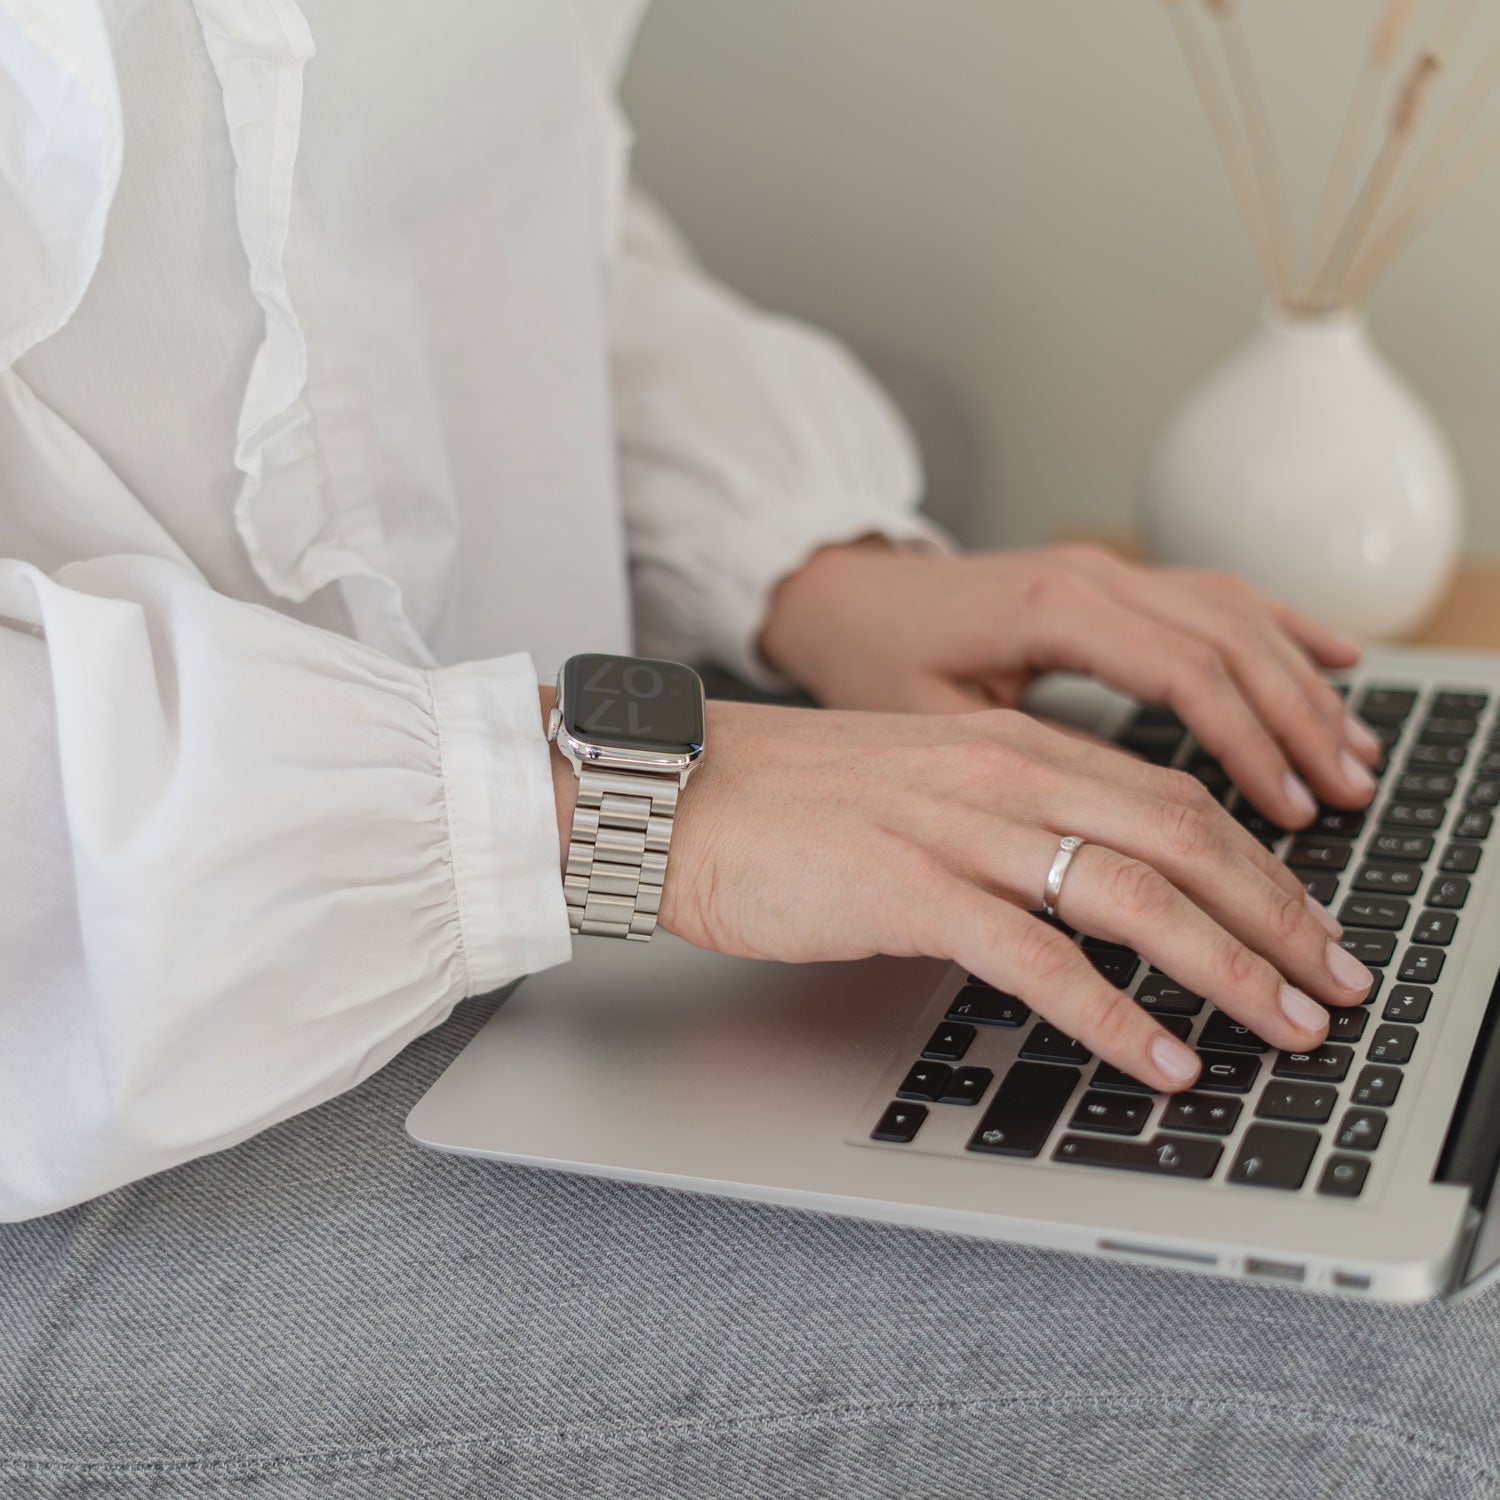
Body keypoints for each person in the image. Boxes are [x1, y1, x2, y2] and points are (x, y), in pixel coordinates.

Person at [3, 5, 1497, 1498]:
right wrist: (608, 801)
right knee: (1450, 1358)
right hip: (104, 1105)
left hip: (547, 886)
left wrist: (806, 563)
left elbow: (496, 215)